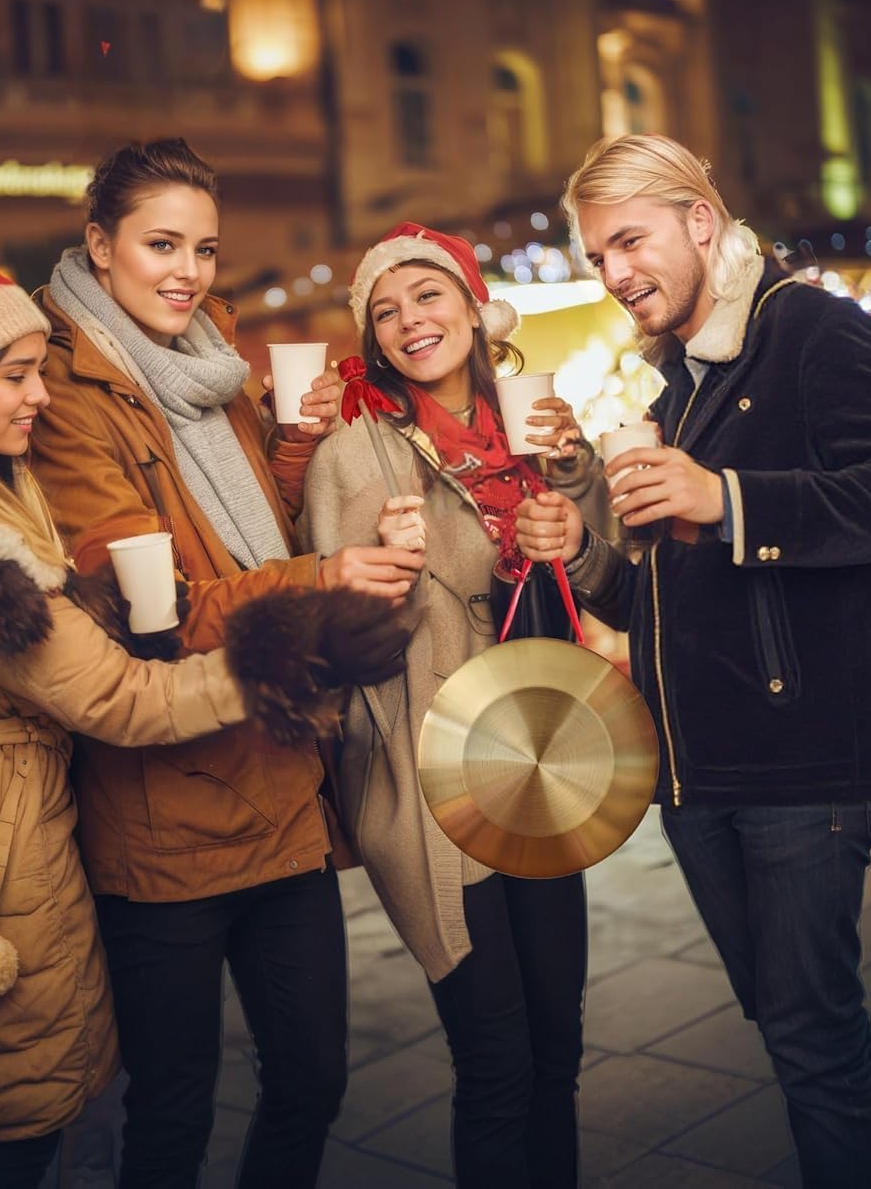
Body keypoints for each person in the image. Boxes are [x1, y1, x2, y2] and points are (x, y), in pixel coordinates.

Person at [0, 251, 408, 1189]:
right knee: (14, 1123)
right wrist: (292, 647)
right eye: (17, 377)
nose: (40, 397)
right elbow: (126, 700)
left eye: (41, 370)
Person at [515, 135, 871, 1189]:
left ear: (699, 223)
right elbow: (662, 597)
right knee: (807, 1025)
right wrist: (582, 555)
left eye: (630, 239)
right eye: (597, 255)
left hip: (801, 762)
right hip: (699, 771)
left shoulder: (809, 330)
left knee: (812, 1039)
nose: (615, 271)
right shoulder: (679, 387)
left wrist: (728, 500)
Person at [31, 140, 422, 1189]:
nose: (188, 271)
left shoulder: (210, 369)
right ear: (100, 246)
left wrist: (299, 449)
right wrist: (323, 575)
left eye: (204, 248)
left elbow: (251, 535)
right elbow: (146, 614)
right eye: (161, 244)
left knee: (311, 1083)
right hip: (165, 818)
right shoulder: (66, 397)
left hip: (282, 782)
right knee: (171, 1114)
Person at [300, 223, 602, 1189]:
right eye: (384, 312)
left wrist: (573, 518)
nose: (408, 323)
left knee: (559, 1047)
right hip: (434, 777)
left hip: (542, 760)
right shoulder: (353, 455)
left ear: (475, 308)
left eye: (427, 298)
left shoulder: (539, 425)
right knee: (499, 1062)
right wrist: (377, 584)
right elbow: (337, 645)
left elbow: (603, 577)